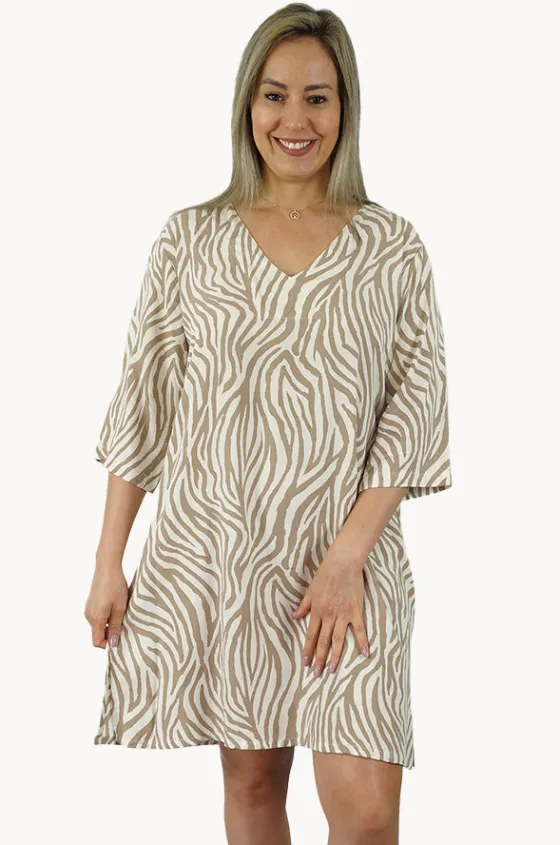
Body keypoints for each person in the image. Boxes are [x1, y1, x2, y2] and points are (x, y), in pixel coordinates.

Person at [85, 4, 452, 843]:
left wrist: (347, 559)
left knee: (366, 815)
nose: (295, 119)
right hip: (228, 557)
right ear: (247, 103)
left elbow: (416, 407)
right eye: (275, 94)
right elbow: (144, 404)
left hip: (350, 562)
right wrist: (109, 562)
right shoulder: (191, 239)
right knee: (252, 784)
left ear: (345, 107)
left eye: (318, 98)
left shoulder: (392, 248)